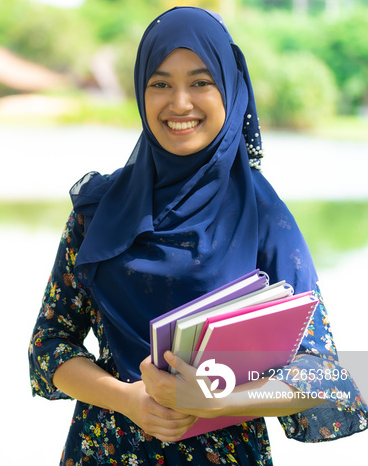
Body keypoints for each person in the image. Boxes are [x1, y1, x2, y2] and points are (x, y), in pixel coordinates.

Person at [28, 6, 367, 465]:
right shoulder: (99, 211)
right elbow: (49, 344)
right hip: (105, 450)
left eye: (201, 82)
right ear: (140, 91)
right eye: (160, 83)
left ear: (230, 89)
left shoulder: (263, 216)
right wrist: (127, 399)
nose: (180, 103)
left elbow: (326, 374)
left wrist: (216, 399)